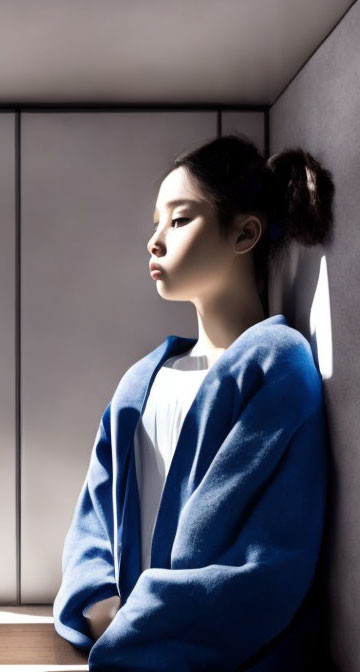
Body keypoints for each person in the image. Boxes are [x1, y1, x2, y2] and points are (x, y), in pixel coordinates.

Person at [52, 134, 335, 671]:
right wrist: (102, 609)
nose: (155, 241)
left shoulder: (276, 364)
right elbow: (91, 524)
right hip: (126, 649)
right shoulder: (139, 383)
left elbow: (268, 565)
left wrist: (139, 632)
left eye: (179, 220)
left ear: (245, 233)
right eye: (155, 223)